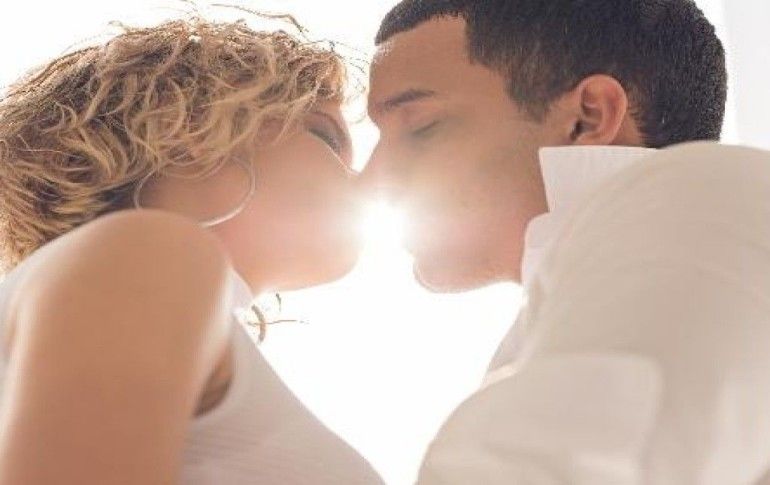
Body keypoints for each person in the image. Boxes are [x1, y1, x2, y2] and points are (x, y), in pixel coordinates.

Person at [363, 0, 770, 482]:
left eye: (421, 127)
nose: (369, 180)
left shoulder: (701, 191)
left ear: (588, 117)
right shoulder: (551, 321)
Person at [0, 17, 383, 485]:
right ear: (188, 127)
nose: (365, 180)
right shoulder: (144, 256)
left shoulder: (132, 275)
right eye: (326, 137)